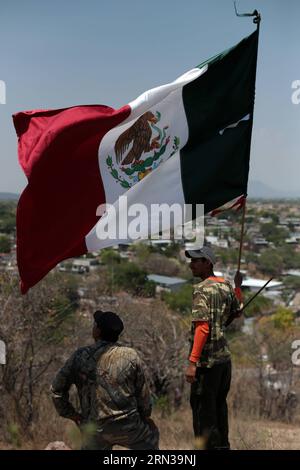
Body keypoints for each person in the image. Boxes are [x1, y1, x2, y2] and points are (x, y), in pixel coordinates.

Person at [51, 310, 159, 450]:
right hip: (127, 426)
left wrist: (73, 415)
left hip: (94, 429)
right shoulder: (131, 356)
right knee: (152, 433)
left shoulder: (79, 356)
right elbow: (144, 398)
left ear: (97, 331)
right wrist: (144, 416)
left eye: (95, 324)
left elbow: (56, 390)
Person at [185, 246, 243, 450]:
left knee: (203, 412)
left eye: (195, 261)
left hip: (207, 362)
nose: (191, 264)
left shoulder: (202, 289)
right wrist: (238, 287)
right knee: (219, 407)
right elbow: (237, 312)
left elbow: (202, 327)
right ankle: (223, 446)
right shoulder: (226, 286)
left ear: (207, 263)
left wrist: (192, 362)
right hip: (224, 362)